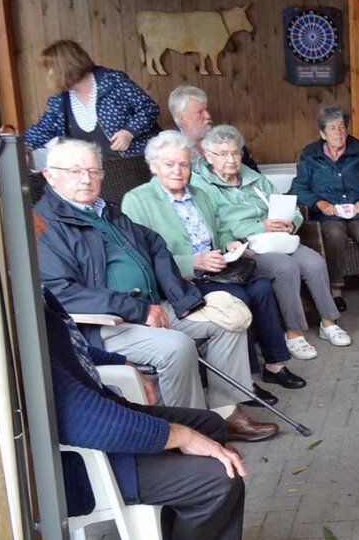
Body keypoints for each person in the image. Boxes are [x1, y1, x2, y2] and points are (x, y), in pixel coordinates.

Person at [35, 138, 278, 442]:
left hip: (153, 308)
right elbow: (60, 293)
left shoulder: (105, 211)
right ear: (49, 175)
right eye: (74, 171)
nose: (86, 178)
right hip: (104, 324)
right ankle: (189, 433)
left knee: (227, 322)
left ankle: (226, 414)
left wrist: (183, 299)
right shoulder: (44, 226)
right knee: (177, 347)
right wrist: (137, 310)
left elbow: (154, 244)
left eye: (93, 171)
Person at [43, 287, 246, 539]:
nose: (37, 244)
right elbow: (83, 419)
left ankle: (181, 523)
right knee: (219, 480)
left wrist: (120, 362)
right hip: (83, 462)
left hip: (103, 416)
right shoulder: (16, 314)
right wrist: (183, 437)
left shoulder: (35, 290)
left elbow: (73, 348)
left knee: (210, 424)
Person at [122, 131, 309, 391]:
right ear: (154, 166)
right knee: (238, 299)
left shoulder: (199, 194)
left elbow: (218, 231)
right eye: (169, 164)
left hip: (217, 268)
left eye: (184, 164)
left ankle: (274, 365)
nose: (178, 170)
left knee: (262, 287)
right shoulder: (137, 200)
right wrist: (192, 262)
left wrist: (228, 243)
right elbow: (140, 257)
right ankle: (244, 380)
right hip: (181, 279)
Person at [191, 125, 351, 356]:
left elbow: (288, 206)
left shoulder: (253, 177)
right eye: (223, 154)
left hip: (278, 238)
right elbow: (215, 226)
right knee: (285, 267)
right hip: (245, 245)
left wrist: (290, 222)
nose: (232, 159)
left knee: (314, 262)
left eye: (236, 152)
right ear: (208, 156)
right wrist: (259, 226)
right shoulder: (201, 186)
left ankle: (329, 322)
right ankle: (294, 333)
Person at [289, 106, 359, 310]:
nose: (339, 133)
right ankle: (336, 290)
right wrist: (320, 203)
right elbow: (297, 188)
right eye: (333, 128)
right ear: (322, 134)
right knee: (333, 234)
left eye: (342, 127)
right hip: (329, 215)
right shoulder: (311, 154)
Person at [25, 40, 161, 159]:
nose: (49, 73)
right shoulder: (61, 102)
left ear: (65, 67)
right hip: (94, 173)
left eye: (50, 68)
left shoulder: (114, 81)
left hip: (135, 164)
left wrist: (129, 132)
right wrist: (17, 146)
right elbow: (42, 130)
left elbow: (149, 108)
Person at [169, 84, 259, 171]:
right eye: (200, 112)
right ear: (182, 119)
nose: (208, 116)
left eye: (207, 110)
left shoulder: (229, 140)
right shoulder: (169, 148)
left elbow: (256, 178)